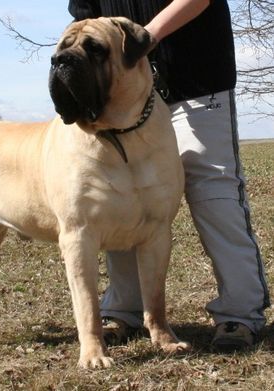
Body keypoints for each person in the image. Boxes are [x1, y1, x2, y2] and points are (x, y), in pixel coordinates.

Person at [67, 0, 270, 351]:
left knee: (214, 194)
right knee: (117, 195)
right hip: (122, 94)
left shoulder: (149, 45)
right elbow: (87, 17)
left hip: (197, 83)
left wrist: (145, 39)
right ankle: (122, 310)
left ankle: (239, 313)